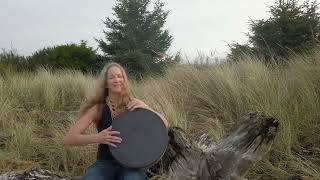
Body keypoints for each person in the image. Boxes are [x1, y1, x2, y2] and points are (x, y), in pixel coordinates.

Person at [64, 62, 169, 180]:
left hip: (132, 165)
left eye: (120, 76)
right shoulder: (98, 108)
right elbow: (69, 139)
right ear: (106, 83)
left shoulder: (134, 103)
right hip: (105, 163)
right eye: (112, 77)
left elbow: (164, 124)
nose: (117, 80)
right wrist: (97, 137)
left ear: (124, 80)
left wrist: (147, 107)